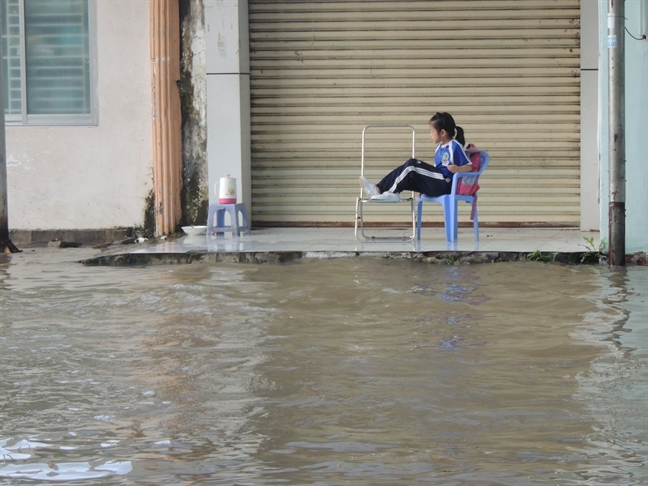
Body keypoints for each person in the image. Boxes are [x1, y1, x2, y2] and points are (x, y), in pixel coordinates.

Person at [360, 112, 473, 200]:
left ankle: (391, 193)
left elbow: (470, 167)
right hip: (437, 182)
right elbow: (433, 172)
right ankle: (379, 188)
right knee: (406, 171)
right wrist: (423, 186)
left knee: (411, 164)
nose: (430, 135)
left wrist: (458, 169)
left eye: (432, 131)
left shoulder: (454, 146)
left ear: (442, 133)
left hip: (445, 184)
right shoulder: (439, 148)